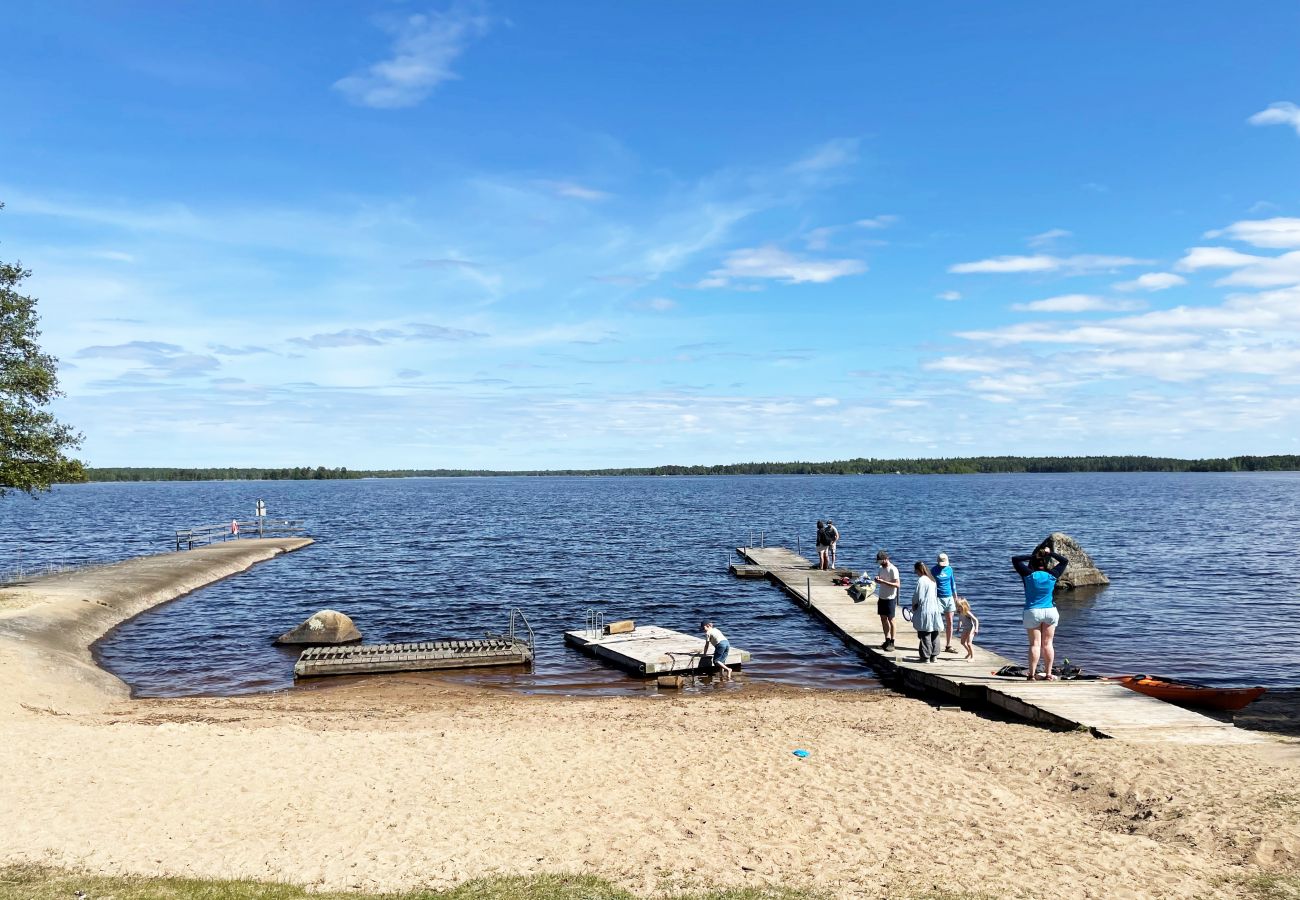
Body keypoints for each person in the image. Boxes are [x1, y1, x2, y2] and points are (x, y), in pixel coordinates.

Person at [1011, 539, 1069, 681]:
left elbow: (1015, 559)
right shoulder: (1052, 575)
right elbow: (1064, 561)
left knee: (1035, 644)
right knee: (1048, 644)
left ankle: (1031, 675)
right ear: (1045, 565)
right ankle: (1048, 674)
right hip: (1050, 610)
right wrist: (1050, 553)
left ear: (1033, 564)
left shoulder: (1028, 575)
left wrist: (1033, 556)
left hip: (1032, 611)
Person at [910, 562, 942, 663]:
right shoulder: (932, 580)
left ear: (918, 570)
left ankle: (925, 657)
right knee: (935, 632)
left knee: (925, 633)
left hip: (925, 609)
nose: (916, 573)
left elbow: (917, 596)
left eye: (916, 571)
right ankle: (934, 656)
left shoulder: (921, 580)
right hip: (934, 608)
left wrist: (914, 605)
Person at [874, 550, 901, 651]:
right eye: (879, 561)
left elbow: (897, 585)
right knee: (883, 619)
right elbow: (881, 580)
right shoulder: (881, 568)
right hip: (882, 597)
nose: (880, 563)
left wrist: (884, 582)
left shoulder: (893, 569)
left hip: (890, 598)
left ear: (886, 559)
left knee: (891, 620)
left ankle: (892, 642)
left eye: (881, 561)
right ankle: (887, 640)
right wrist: (877, 580)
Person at [933, 551, 959, 653]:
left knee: (950, 622)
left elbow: (952, 583)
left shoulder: (949, 569)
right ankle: (935, 644)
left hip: (949, 597)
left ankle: (948, 645)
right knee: (937, 622)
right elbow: (931, 584)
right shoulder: (933, 570)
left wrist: (955, 596)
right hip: (938, 598)